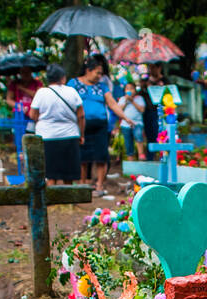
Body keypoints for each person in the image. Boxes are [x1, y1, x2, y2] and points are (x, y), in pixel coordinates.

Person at [69, 54, 125, 198]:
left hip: (100, 125)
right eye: (98, 72)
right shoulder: (74, 83)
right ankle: (82, 184)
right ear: (88, 70)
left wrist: (124, 117)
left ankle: (99, 185)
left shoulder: (102, 86)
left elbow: (112, 103)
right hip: (81, 125)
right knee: (82, 156)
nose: (100, 76)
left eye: (101, 73)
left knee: (101, 156)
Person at [29, 64, 84, 186]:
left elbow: (32, 114)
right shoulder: (71, 91)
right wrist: (81, 134)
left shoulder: (41, 93)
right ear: (63, 78)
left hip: (47, 136)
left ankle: (51, 202)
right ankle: (68, 202)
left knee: (50, 173)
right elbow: (81, 115)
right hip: (70, 135)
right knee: (68, 173)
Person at [116, 79, 147, 160]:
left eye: (131, 88)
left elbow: (142, 110)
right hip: (125, 124)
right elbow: (119, 110)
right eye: (127, 88)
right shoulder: (122, 99)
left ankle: (141, 155)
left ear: (135, 90)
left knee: (138, 136)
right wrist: (126, 101)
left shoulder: (139, 98)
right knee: (128, 142)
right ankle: (130, 160)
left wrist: (132, 101)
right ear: (125, 91)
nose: (129, 90)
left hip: (137, 123)